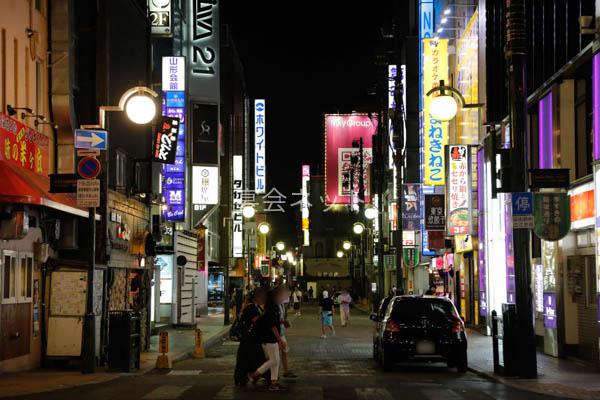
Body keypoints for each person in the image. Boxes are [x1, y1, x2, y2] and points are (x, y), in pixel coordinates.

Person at [249, 287, 287, 391]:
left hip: (271, 337)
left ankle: (274, 382)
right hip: (270, 337)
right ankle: (255, 374)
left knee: (276, 360)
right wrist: (280, 339)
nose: (283, 297)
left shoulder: (272, 307)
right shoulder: (272, 308)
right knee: (274, 360)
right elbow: (272, 325)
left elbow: (275, 324)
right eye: (281, 295)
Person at [234, 288, 266, 386]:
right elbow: (256, 320)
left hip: (249, 338)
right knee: (257, 359)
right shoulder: (251, 308)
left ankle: (245, 377)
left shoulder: (252, 306)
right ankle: (249, 377)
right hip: (250, 338)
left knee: (248, 359)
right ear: (257, 297)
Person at [277, 285, 297, 378]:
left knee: (284, 351)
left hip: (281, 331)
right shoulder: (275, 305)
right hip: (276, 333)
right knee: (274, 356)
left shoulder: (281, 304)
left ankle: (285, 370)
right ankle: (262, 373)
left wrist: (284, 322)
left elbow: (282, 317)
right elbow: (273, 320)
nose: (287, 295)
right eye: (285, 293)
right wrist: (283, 321)